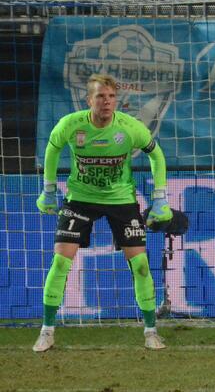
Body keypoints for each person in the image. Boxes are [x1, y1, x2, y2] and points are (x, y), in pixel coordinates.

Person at [32, 73, 172, 352]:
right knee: (60, 262)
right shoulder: (71, 125)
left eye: (111, 97)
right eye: (100, 97)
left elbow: (156, 154)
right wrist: (48, 190)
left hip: (121, 200)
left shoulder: (130, 127)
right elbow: (52, 148)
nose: (107, 102)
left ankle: (150, 331)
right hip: (80, 199)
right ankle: (46, 331)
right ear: (89, 100)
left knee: (141, 265)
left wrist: (160, 198)